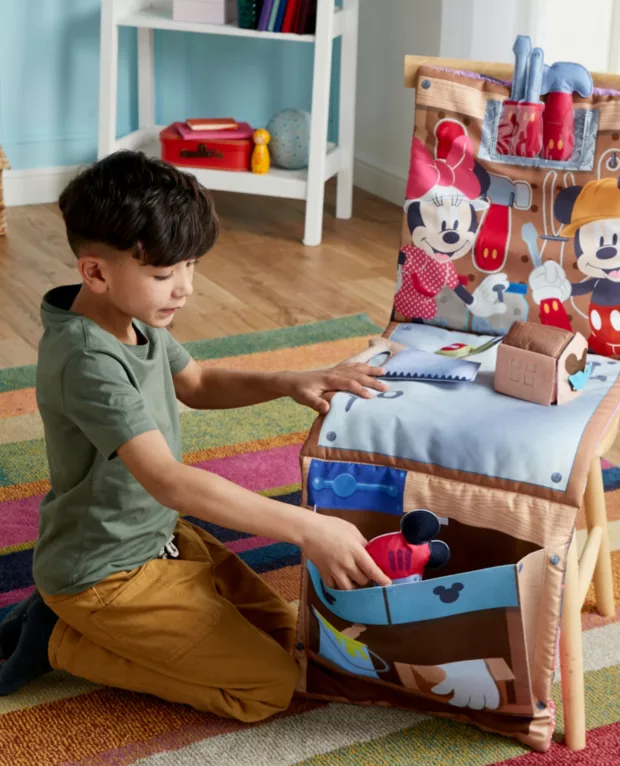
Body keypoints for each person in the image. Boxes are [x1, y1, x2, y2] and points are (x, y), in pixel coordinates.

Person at [0, 151, 391, 722]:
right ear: (96, 273)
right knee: (270, 688)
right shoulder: (87, 360)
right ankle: (59, 641)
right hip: (104, 575)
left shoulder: (133, 316)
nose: (184, 288)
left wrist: (290, 380)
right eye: (164, 274)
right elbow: (168, 481)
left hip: (161, 540)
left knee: (297, 638)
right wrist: (309, 527)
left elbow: (199, 383)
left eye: (191, 266)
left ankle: (92, 619)